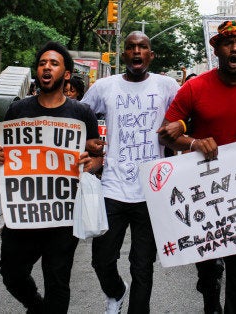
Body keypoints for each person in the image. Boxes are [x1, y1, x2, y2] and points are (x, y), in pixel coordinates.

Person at [157, 20, 236, 314]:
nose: (234, 48)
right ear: (216, 49)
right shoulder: (194, 88)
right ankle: (210, 301)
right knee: (207, 268)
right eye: (228, 43)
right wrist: (194, 143)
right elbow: (167, 132)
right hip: (204, 191)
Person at [0, 41, 100, 314]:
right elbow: (6, 153)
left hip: (63, 213)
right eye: (42, 63)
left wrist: (89, 165)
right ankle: (36, 307)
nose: (46, 67)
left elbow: (97, 156)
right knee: (11, 272)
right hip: (24, 212)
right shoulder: (18, 110)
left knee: (57, 280)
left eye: (54, 63)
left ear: (67, 74)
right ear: (37, 72)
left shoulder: (81, 113)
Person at [80, 31, 180, 314]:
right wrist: (90, 140)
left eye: (143, 47)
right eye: (131, 47)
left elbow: (188, 113)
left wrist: (180, 127)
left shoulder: (167, 85)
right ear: (124, 55)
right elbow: (80, 113)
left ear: (151, 54)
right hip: (113, 187)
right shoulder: (104, 86)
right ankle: (116, 291)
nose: (137, 52)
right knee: (101, 260)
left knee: (142, 266)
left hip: (151, 191)